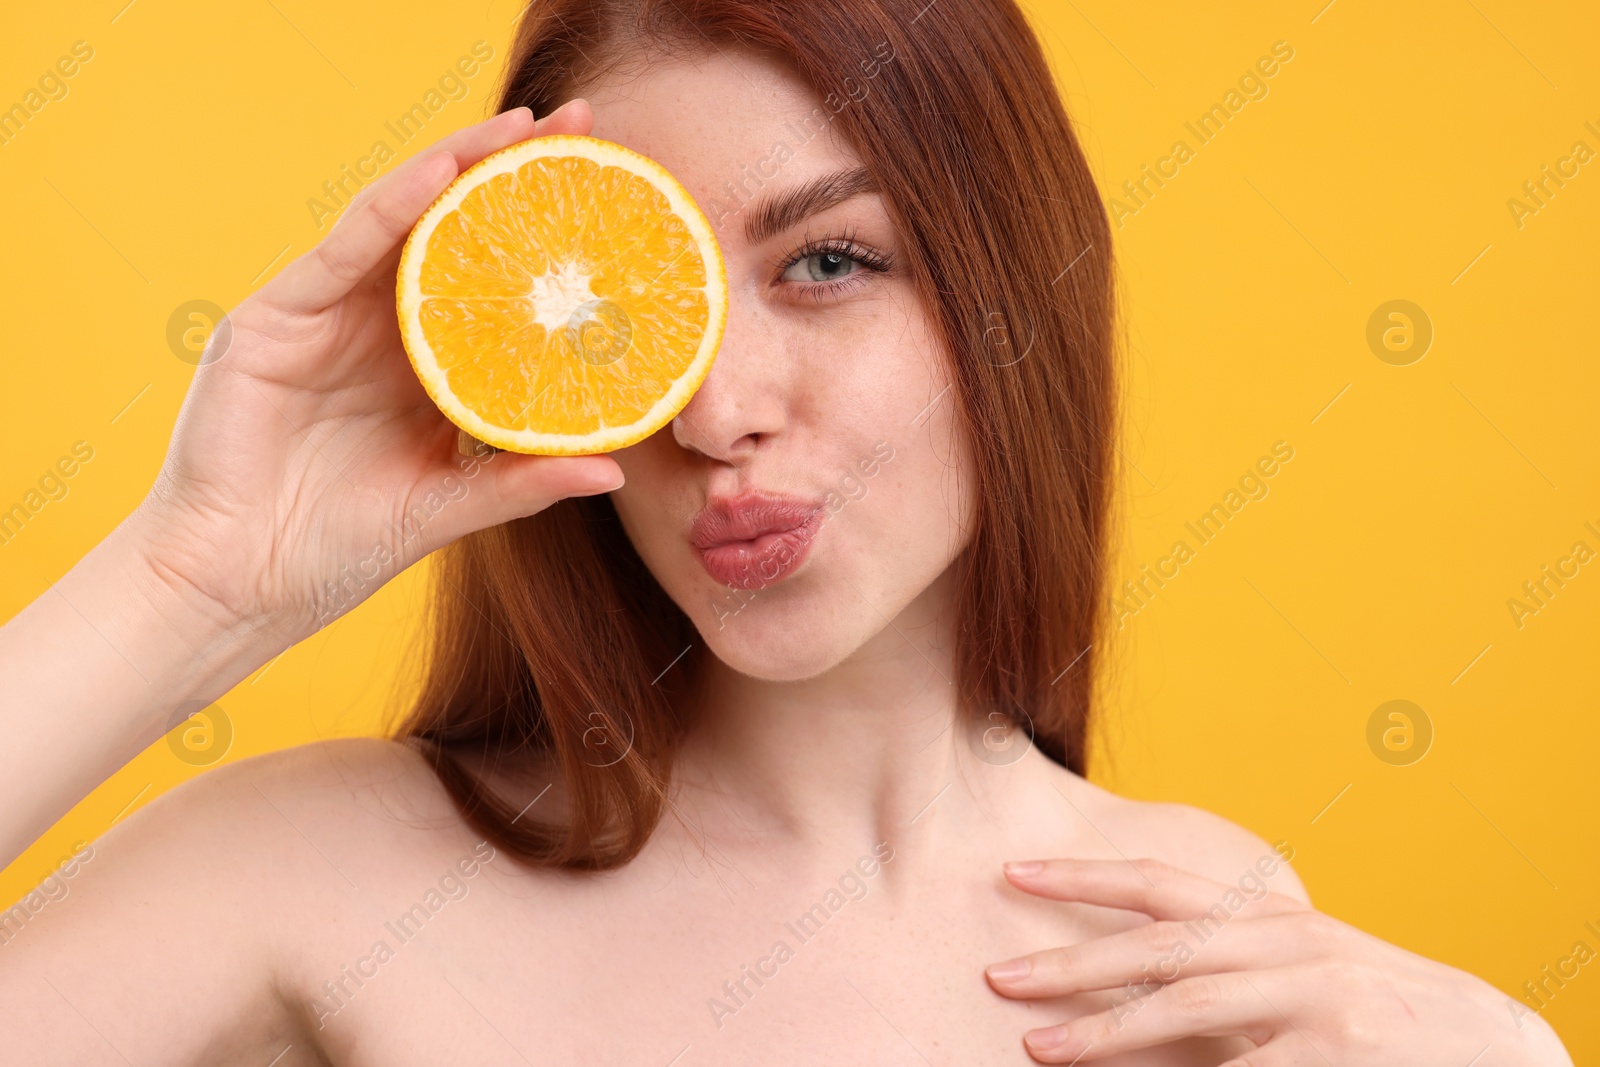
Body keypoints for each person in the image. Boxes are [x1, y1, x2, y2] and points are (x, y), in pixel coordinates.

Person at [0, 0, 1573, 1062]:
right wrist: (182, 582)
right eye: (624, 304)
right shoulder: (316, 871)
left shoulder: (1190, 931)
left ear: (1013, 287)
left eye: (827, 263)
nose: (711, 411)